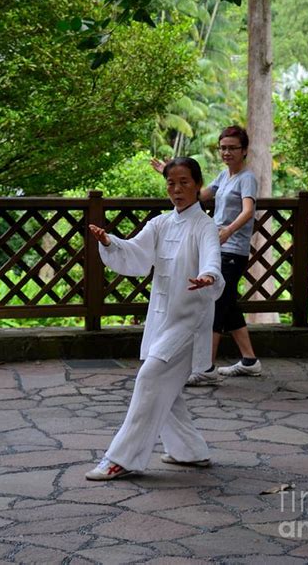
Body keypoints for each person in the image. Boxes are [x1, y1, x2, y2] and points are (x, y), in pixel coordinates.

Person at [85, 157, 225, 480]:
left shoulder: (204, 226)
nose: (176, 190)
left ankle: (123, 458)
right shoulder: (160, 223)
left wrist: (208, 277)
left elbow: (212, 260)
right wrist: (110, 242)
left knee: (150, 379)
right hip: (161, 320)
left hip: (189, 323)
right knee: (167, 391)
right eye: (171, 183)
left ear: (198, 185)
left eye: (184, 183)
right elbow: (136, 253)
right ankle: (190, 450)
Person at [151, 125, 261, 385]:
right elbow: (197, 195)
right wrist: (171, 174)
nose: (227, 152)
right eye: (223, 147)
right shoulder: (224, 176)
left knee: (214, 304)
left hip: (232, 248)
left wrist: (228, 231)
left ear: (244, 150)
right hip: (217, 245)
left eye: (232, 148)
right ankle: (249, 360)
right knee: (228, 303)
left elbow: (248, 211)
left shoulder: (247, 178)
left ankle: (205, 367)